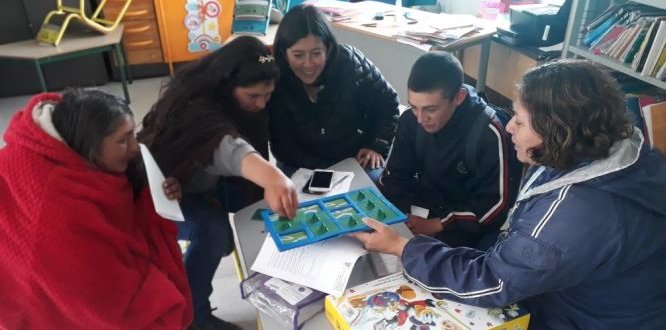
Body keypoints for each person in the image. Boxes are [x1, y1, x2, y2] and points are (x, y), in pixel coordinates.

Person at [351, 59, 666, 328]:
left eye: (519, 120)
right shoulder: (614, 148)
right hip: (594, 293)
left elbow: (493, 281)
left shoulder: (576, 213)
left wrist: (405, 249)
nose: (510, 127)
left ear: (556, 131)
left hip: (590, 319)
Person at [137, 36, 298, 329]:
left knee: (255, 213)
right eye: (253, 96)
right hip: (162, 191)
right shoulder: (195, 108)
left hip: (205, 182)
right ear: (227, 85)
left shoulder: (242, 99)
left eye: (267, 95)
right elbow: (224, 146)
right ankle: (192, 316)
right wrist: (273, 177)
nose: (261, 104)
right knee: (211, 229)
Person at [0, 89, 192, 329]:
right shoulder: (55, 202)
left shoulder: (66, 143)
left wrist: (153, 197)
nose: (135, 147)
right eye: (123, 140)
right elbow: (102, 301)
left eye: (133, 134)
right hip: (34, 300)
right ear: (89, 145)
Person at [380, 52, 520, 248]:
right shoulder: (410, 121)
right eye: (413, 107)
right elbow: (395, 176)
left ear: (458, 97)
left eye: (430, 109)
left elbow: (494, 207)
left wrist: (437, 225)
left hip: (465, 226)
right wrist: (400, 217)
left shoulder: (489, 133)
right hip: (423, 209)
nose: (420, 119)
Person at [268, 5, 400, 180]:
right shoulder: (276, 79)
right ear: (285, 54)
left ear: (328, 48)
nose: (308, 64)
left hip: (355, 157)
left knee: (373, 192)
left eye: (316, 53)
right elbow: (283, 145)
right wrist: (327, 172)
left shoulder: (350, 64)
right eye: (298, 55)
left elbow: (388, 103)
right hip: (300, 163)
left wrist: (376, 145)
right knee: (296, 204)